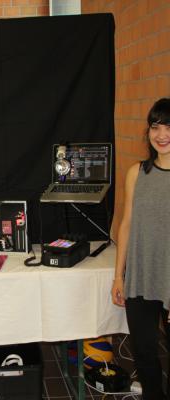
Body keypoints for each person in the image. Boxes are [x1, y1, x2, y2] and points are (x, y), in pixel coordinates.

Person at [111, 97, 170, 400]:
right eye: (156, 127)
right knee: (144, 352)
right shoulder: (137, 172)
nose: (162, 135)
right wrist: (118, 276)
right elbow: (126, 224)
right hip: (141, 276)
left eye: (169, 127)